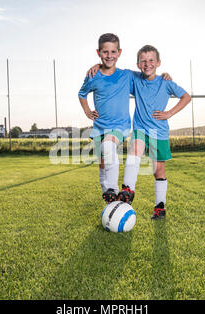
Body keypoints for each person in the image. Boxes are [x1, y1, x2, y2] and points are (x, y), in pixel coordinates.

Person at [119, 45, 192, 220]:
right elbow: (112, 71)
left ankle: (160, 207)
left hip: (159, 132)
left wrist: (169, 113)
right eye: (143, 61)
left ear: (158, 63)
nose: (147, 64)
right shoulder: (134, 79)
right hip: (140, 128)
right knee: (135, 148)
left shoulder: (166, 82)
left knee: (158, 170)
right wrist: (97, 67)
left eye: (151, 60)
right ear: (138, 64)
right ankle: (128, 189)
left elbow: (186, 97)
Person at [78, 33, 132, 204]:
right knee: (102, 163)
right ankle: (109, 199)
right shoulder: (93, 75)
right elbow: (82, 94)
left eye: (113, 52)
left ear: (119, 52)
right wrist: (87, 111)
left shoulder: (126, 75)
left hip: (120, 125)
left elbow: (148, 76)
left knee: (108, 146)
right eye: (105, 52)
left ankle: (113, 191)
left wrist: (165, 75)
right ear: (98, 52)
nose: (109, 56)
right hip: (100, 126)